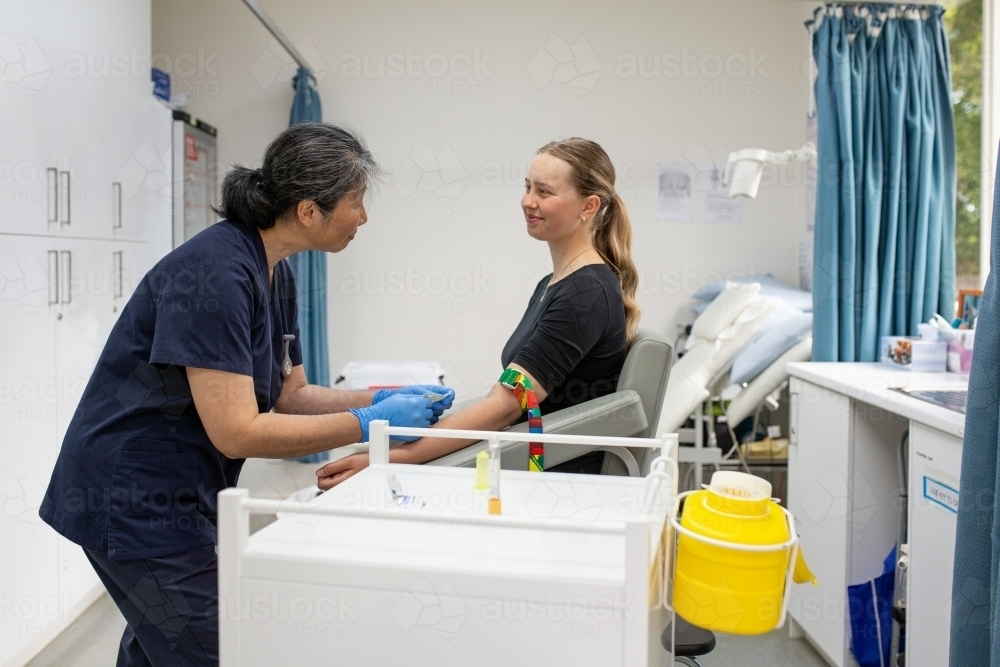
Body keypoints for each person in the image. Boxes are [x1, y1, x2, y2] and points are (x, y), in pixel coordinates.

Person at [38, 122, 454, 667]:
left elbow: (290, 395)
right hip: (132, 498)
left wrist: (387, 397)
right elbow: (236, 431)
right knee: (221, 651)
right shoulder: (215, 274)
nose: (364, 217)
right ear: (309, 211)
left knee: (160, 648)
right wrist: (367, 419)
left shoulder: (275, 271)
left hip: (175, 495)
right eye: (357, 202)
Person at [317, 137, 639, 488]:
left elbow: (504, 407)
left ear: (588, 207)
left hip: (560, 483)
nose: (528, 201)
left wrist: (384, 458)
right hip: (532, 464)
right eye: (528, 187)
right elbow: (504, 400)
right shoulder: (556, 283)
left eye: (544, 192)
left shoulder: (585, 294)